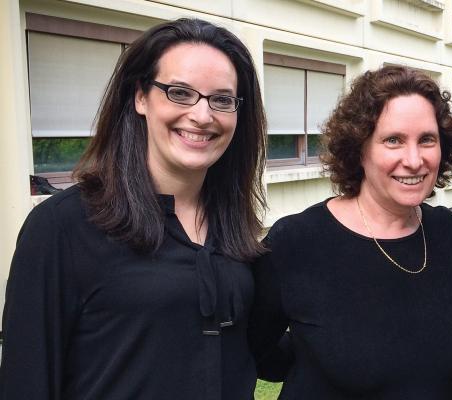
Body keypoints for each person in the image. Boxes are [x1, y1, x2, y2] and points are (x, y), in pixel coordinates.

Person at [0, 18, 266, 399]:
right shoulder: (63, 227)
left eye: (222, 99)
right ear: (141, 96)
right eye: (180, 92)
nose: (203, 115)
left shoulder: (236, 228)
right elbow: (26, 381)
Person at [248, 65, 452, 399]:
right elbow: (251, 350)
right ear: (360, 148)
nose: (414, 160)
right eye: (393, 140)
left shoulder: (447, 232)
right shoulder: (297, 241)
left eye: (426, 139)